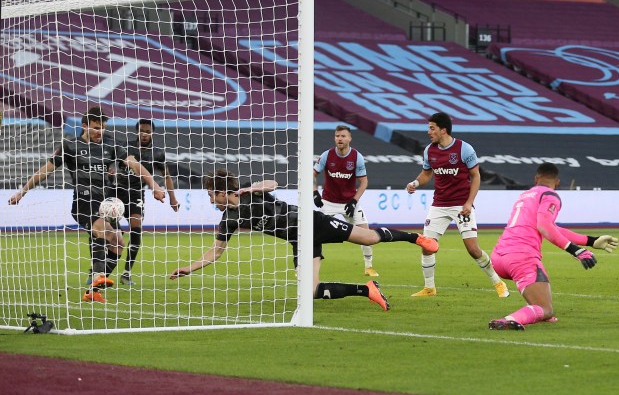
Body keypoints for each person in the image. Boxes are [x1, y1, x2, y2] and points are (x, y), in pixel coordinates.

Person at [169, 168, 438, 311]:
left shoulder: (252, 195)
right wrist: (188, 268)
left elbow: (273, 183)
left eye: (210, 195)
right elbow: (215, 252)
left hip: (313, 222)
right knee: (310, 291)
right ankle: (367, 289)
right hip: (299, 240)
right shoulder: (229, 220)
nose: (210, 201)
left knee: (368, 238)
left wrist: (249, 187)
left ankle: (416, 238)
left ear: (222, 191)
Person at [8, 106, 167, 303]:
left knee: (118, 244)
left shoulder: (111, 146)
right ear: (84, 126)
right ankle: (98, 275)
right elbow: (45, 170)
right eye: (95, 127)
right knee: (102, 230)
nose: (99, 132)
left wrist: (154, 185)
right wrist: (22, 191)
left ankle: (94, 287)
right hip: (83, 201)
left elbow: (134, 163)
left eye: (102, 128)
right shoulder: (70, 146)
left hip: (105, 201)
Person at [488, 163, 618, 330]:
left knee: (542, 305)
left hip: (499, 257)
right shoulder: (550, 195)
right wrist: (576, 250)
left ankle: (536, 311)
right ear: (557, 182)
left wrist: (591, 241)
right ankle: (505, 321)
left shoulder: (525, 195)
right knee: (546, 309)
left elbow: (551, 227)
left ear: (536, 179)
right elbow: (545, 226)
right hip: (521, 257)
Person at [405, 112, 509, 298]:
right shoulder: (430, 150)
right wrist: (415, 183)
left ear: (443, 129)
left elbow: (476, 176)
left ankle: (498, 282)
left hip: (461, 205)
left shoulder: (464, 149)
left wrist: (469, 202)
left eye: (432, 128)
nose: (429, 132)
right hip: (439, 204)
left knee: (472, 249)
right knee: (427, 245)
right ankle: (429, 288)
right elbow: (427, 173)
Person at [114, 118, 180, 286]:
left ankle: (127, 273)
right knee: (111, 232)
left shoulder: (157, 153)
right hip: (116, 191)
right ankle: (97, 269)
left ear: (152, 133)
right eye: (142, 131)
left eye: (148, 132)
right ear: (137, 132)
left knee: (136, 230)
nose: (144, 134)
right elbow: (110, 164)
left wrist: (172, 198)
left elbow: (167, 176)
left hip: (136, 193)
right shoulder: (125, 147)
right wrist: (110, 171)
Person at [313, 125, 377, 277]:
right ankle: (306, 267)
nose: (339, 139)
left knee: (366, 234)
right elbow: (312, 175)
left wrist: (354, 201)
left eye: (343, 136)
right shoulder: (327, 155)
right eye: (337, 136)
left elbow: (364, 182)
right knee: (313, 233)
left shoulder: (357, 157)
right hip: (328, 202)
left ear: (349, 138)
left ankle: (369, 267)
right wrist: (315, 193)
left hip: (349, 202)